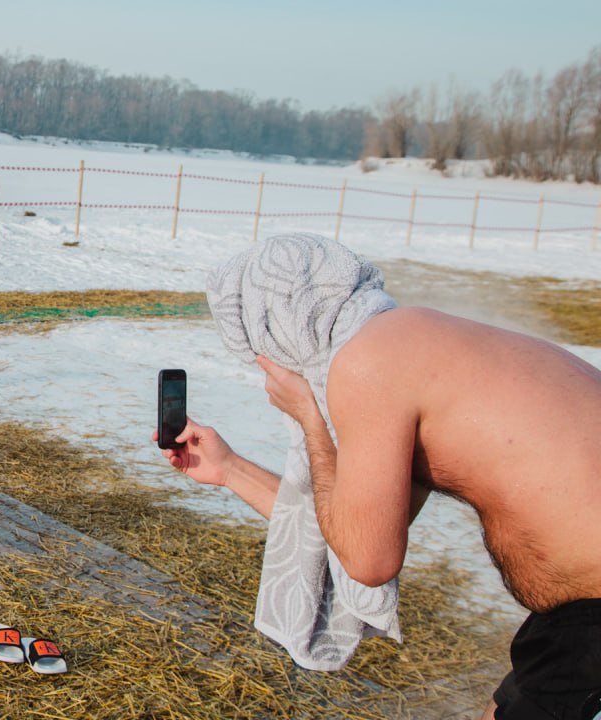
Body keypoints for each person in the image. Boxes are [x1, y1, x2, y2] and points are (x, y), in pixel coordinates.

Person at [159, 233, 601, 720]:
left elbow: (369, 561)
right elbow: (345, 530)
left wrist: (310, 418)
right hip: (577, 614)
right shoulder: (406, 343)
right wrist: (230, 470)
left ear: (278, 327)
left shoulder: (368, 363)